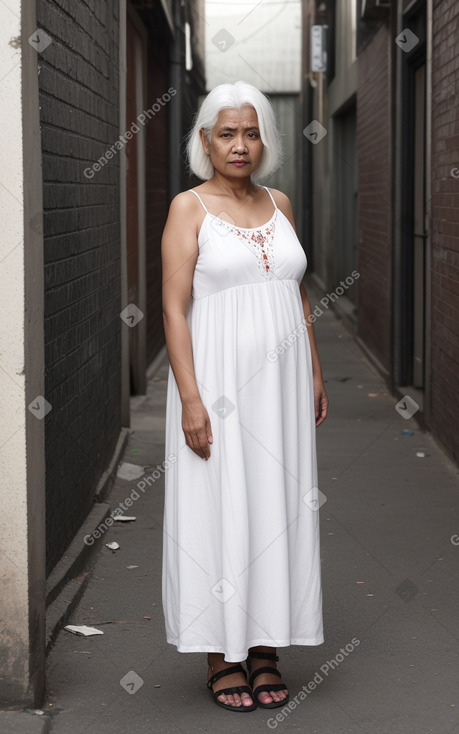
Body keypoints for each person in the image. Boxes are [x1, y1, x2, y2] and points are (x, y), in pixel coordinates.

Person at [161, 80, 328, 713]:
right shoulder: (189, 208)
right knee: (220, 503)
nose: (240, 145)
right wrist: (191, 400)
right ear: (205, 141)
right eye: (227, 133)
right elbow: (175, 311)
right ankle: (220, 654)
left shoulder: (280, 203)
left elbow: (296, 293)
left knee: (274, 506)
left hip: (279, 394)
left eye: (251, 133)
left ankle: (264, 648)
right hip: (220, 389)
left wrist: (311, 370)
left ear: (265, 140)